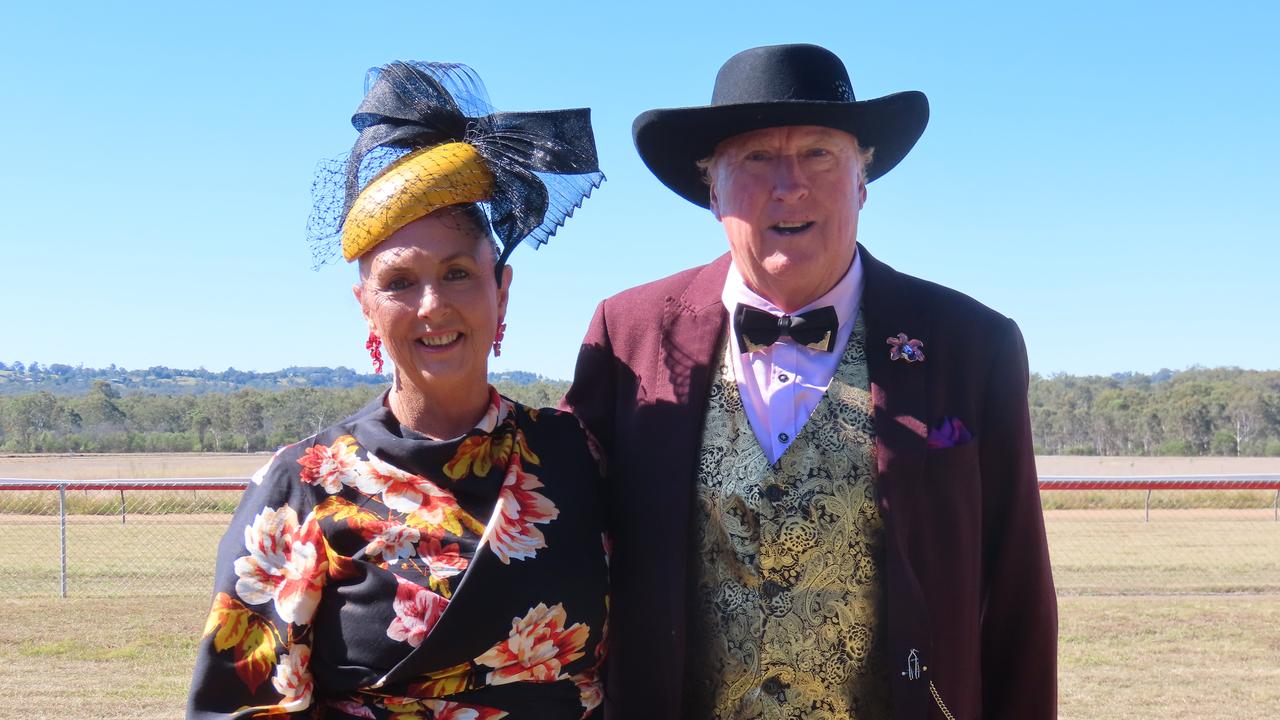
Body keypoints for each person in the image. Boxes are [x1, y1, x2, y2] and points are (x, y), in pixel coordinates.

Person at [565, 44, 1057, 719]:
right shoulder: (630, 334)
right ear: (712, 189)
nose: (789, 184)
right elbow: (562, 553)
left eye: (820, 155)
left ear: (862, 180)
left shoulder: (971, 345)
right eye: (756, 158)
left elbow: (1018, 599)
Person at [188, 61, 608, 719]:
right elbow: (242, 704)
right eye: (399, 282)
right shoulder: (302, 484)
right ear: (365, 307)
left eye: (458, 272)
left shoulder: (579, 458)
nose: (433, 305)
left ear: (503, 291)